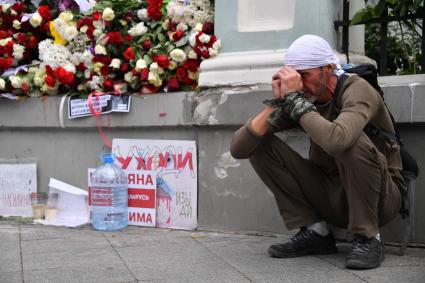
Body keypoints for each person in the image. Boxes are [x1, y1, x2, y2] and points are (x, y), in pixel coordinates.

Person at [230, 35, 406, 270]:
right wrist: (278, 102)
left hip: (381, 198)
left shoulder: (357, 89)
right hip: (329, 193)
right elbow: (238, 149)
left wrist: (295, 101)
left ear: (328, 69)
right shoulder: (300, 97)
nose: (298, 84)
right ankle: (317, 233)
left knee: (347, 140)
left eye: (304, 76)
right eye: (294, 77)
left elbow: (337, 142)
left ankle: (368, 237)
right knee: (258, 141)